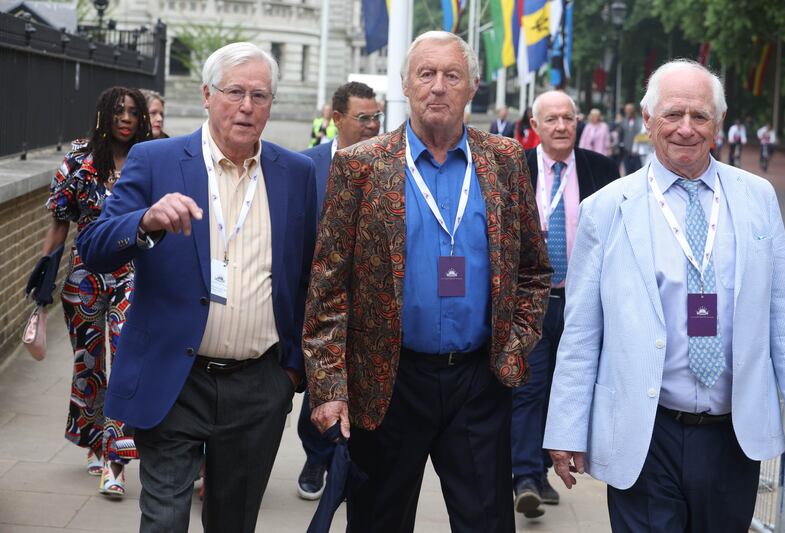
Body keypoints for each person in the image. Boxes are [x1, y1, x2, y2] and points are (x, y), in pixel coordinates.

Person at [303, 31, 552, 533]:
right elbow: (328, 287)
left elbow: (533, 271)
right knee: (378, 522)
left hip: (478, 383)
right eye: (426, 74)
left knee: (487, 522)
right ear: (406, 84)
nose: (438, 87)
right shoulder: (361, 166)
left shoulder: (504, 161)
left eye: (451, 75)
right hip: (389, 384)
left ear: (471, 88)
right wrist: (329, 386)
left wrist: (513, 352)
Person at [543, 59, 785, 532]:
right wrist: (565, 428)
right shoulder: (604, 209)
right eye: (673, 115)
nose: (686, 129)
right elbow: (581, 332)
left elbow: (784, 313)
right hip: (645, 431)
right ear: (647, 120)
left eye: (699, 116)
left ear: (719, 123)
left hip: (733, 433)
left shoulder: (757, 198)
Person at [76, 42, 317, 532]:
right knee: (164, 517)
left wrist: (290, 373)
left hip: (258, 383)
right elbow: (93, 246)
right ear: (208, 96)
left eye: (259, 95)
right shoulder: (155, 159)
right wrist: (144, 220)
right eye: (234, 92)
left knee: (234, 521)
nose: (247, 106)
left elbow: (308, 274)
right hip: (173, 373)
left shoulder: (297, 172)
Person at [32, 86, 151, 497]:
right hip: (84, 276)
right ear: (104, 115)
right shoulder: (79, 159)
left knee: (124, 358)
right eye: (118, 111)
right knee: (89, 363)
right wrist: (43, 280)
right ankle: (91, 441)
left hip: (133, 273)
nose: (126, 118)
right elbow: (59, 222)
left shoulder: (149, 157)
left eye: (134, 112)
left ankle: (116, 461)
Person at [511, 91, 619, 520]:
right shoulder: (515, 167)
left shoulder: (602, 169)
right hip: (530, 300)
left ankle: (543, 469)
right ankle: (525, 476)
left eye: (568, 118)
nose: (561, 126)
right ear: (535, 126)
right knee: (529, 389)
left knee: (565, 388)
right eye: (552, 119)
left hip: (580, 302)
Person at [296, 80, 381, 499]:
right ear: (337, 119)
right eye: (362, 118)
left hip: (368, 303)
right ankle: (317, 458)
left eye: (376, 117)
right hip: (317, 300)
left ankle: (347, 462)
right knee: (320, 385)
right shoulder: (305, 167)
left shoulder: (388, 165)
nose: (371, 126)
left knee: (361, 387)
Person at [619, 103, 643, 175]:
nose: (628, 111)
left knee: (638, 171)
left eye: (630, 109)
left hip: (637, 151)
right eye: (627, 110)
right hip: (626, 150)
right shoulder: (623, 121)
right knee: (628, 172)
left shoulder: (640, 121)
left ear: (633, 110)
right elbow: (621, 134)